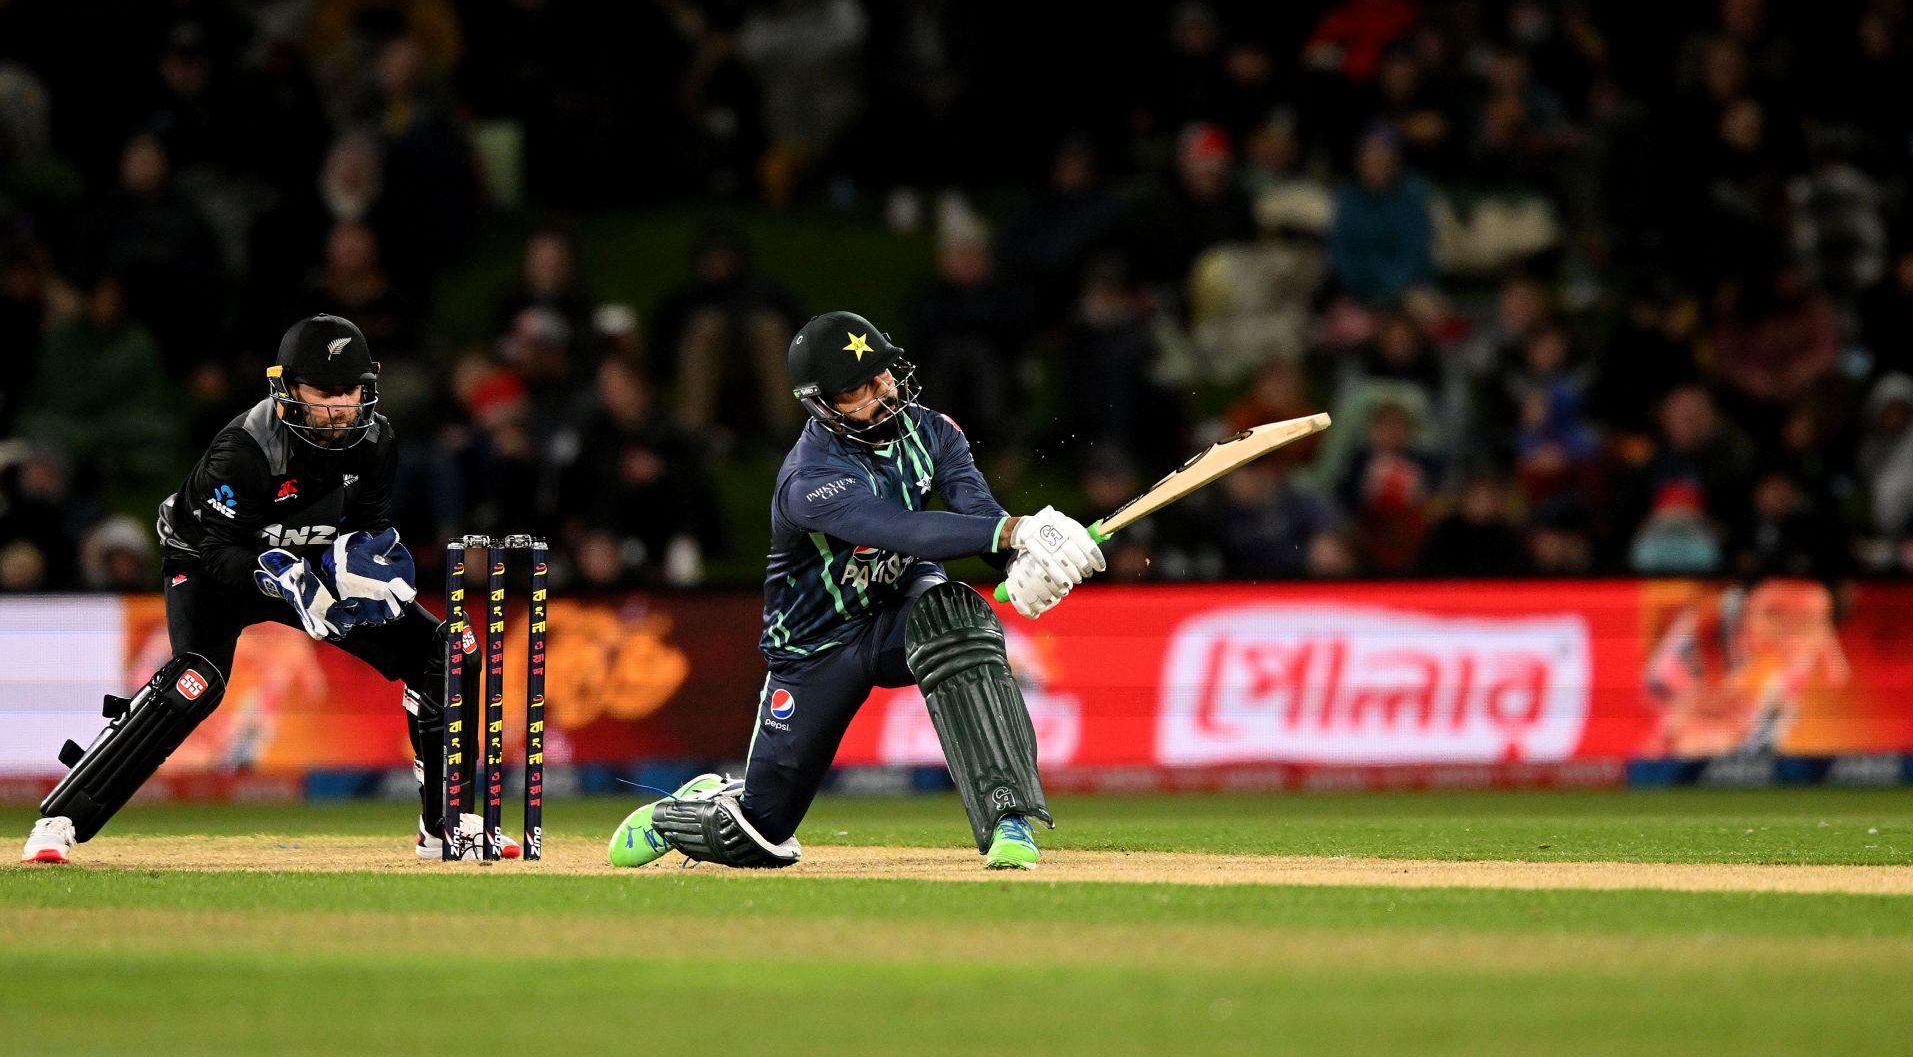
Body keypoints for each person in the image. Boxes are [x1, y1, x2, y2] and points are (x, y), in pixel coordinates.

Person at [608, 311, 1104, 872]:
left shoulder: (935, 431)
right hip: (816, 645)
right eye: (859, 388)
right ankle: (690, 808)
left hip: (900, 607)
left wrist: (1032, 560)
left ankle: (1008, 818)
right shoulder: (811, 478)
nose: (883, 391)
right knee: (758, 836)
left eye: (884, 374)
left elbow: (979, 519)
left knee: (959, 622)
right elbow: (899, 527)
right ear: (822, 404)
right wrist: (1016, 529)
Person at [20, 314, 507, 864]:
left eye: (350, 391)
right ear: (288, 390)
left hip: (308, 570)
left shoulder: (377, 441)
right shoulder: (244, 449)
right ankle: (60, 819)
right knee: (194, 681)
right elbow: (216, 549)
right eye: (324, 392)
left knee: (449, 652)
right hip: (211, 564)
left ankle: (446, 827)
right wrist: (282, 578)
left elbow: (365, 527)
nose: (341, 407)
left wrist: (361, 568)